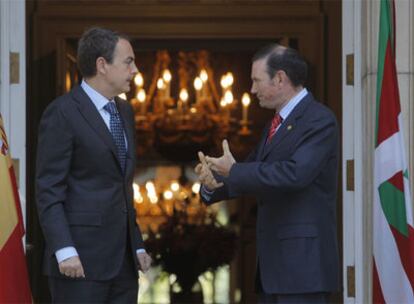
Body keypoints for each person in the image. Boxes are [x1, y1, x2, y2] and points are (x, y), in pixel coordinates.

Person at [196, 44, 340, 303]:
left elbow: (295, 174)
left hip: (302, 267)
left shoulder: (319, 119)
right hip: (274, 268)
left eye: (256, 80)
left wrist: (235, 170)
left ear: (280, 78)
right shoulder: (275, 125)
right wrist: (212, 184)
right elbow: (249, 171)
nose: (252, 89)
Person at [36, 27, 152, 303]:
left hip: (123, 266)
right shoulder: (62, 112)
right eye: (128, 62)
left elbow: (122, 186)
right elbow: (48, 189)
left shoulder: (125, 111)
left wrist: (135, 246)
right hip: (78, 263)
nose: (135, 70)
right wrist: (64, 249)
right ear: (102, 65)